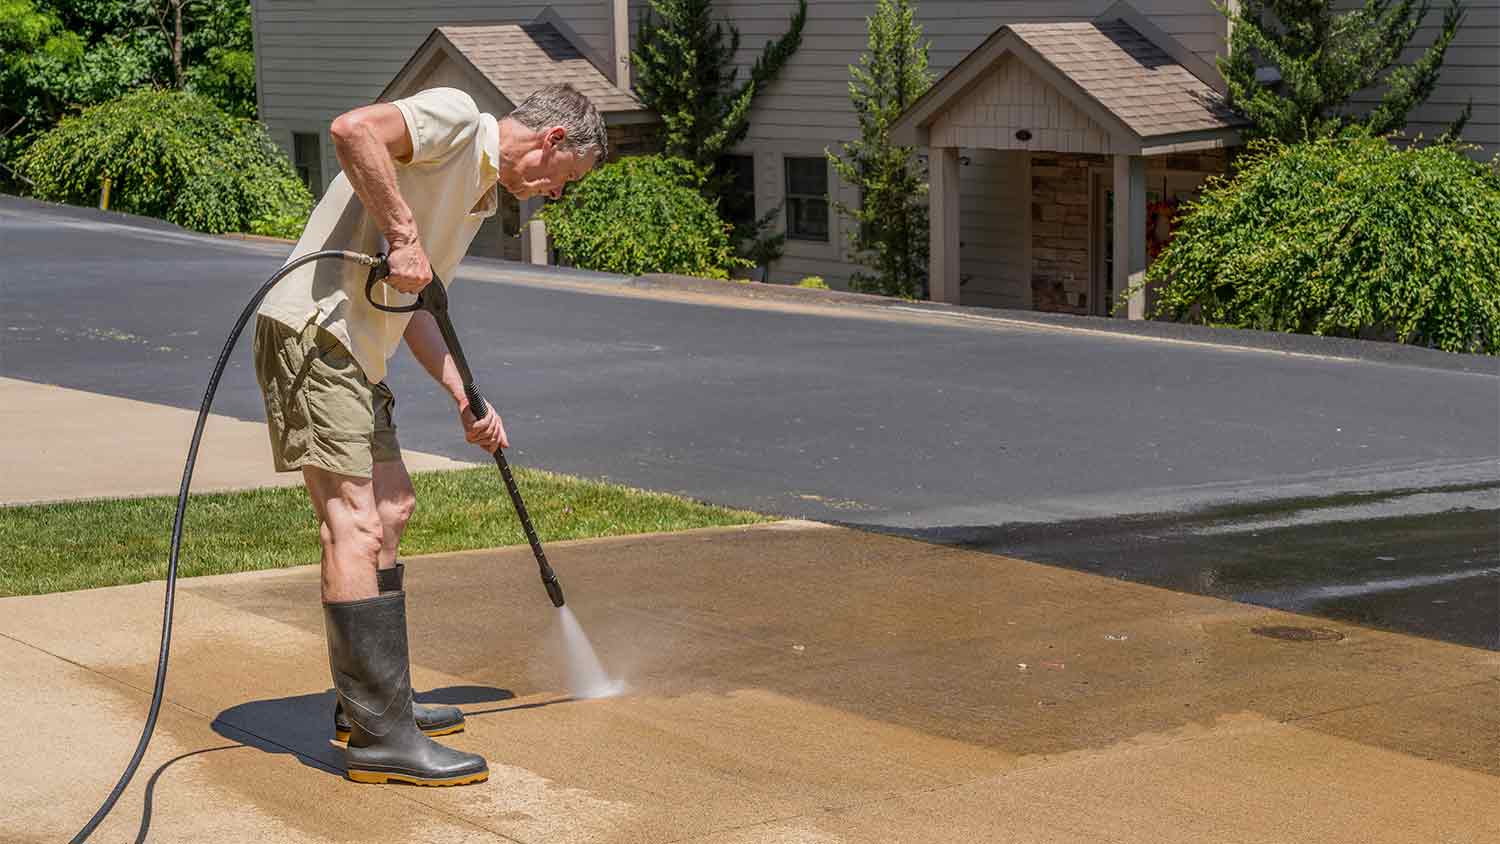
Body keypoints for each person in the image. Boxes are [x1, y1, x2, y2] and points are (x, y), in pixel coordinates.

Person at [252, 83, 605, 787]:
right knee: (352, 524)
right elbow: (352, 128)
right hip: (316, 332)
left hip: (357, 348)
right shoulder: (455, 118)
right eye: (563, 181)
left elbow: (413, 300)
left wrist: (464, 397)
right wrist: (405, 235)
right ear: (552, 141)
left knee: (390, 510)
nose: (553, 196)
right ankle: (382, 736)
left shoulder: (475, 195)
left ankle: (374, 700)